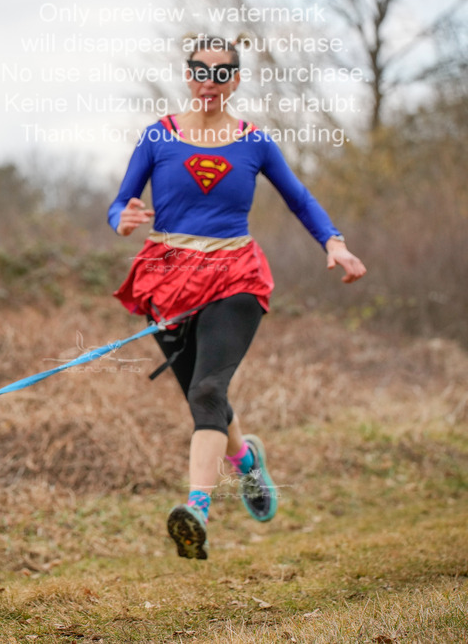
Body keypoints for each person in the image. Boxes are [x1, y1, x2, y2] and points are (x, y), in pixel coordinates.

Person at [107, 34, 367, 560]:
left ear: (236, 79)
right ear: (188, 75)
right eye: (200, 71)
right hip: (167, 277)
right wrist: (124, 220)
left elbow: (300, 198)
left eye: (221, 73)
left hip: (235, 276)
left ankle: (196, 511)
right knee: (204, 398)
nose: (209, 82)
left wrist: (334, 243)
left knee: (207, 391)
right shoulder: (157, 137)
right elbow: (119, 204)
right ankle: (246, 461)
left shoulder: (255, 142)